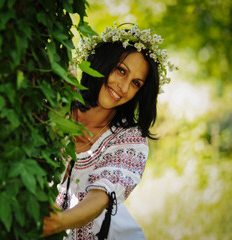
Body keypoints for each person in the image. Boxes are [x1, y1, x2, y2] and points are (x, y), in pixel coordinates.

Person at [43, 23, 177, 240]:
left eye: (135, 83)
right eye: (120, 70)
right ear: (104, 62)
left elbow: (100, 196)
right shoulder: (57, 103)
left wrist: (58, 223)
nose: (123, 87)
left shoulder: (131, 140)